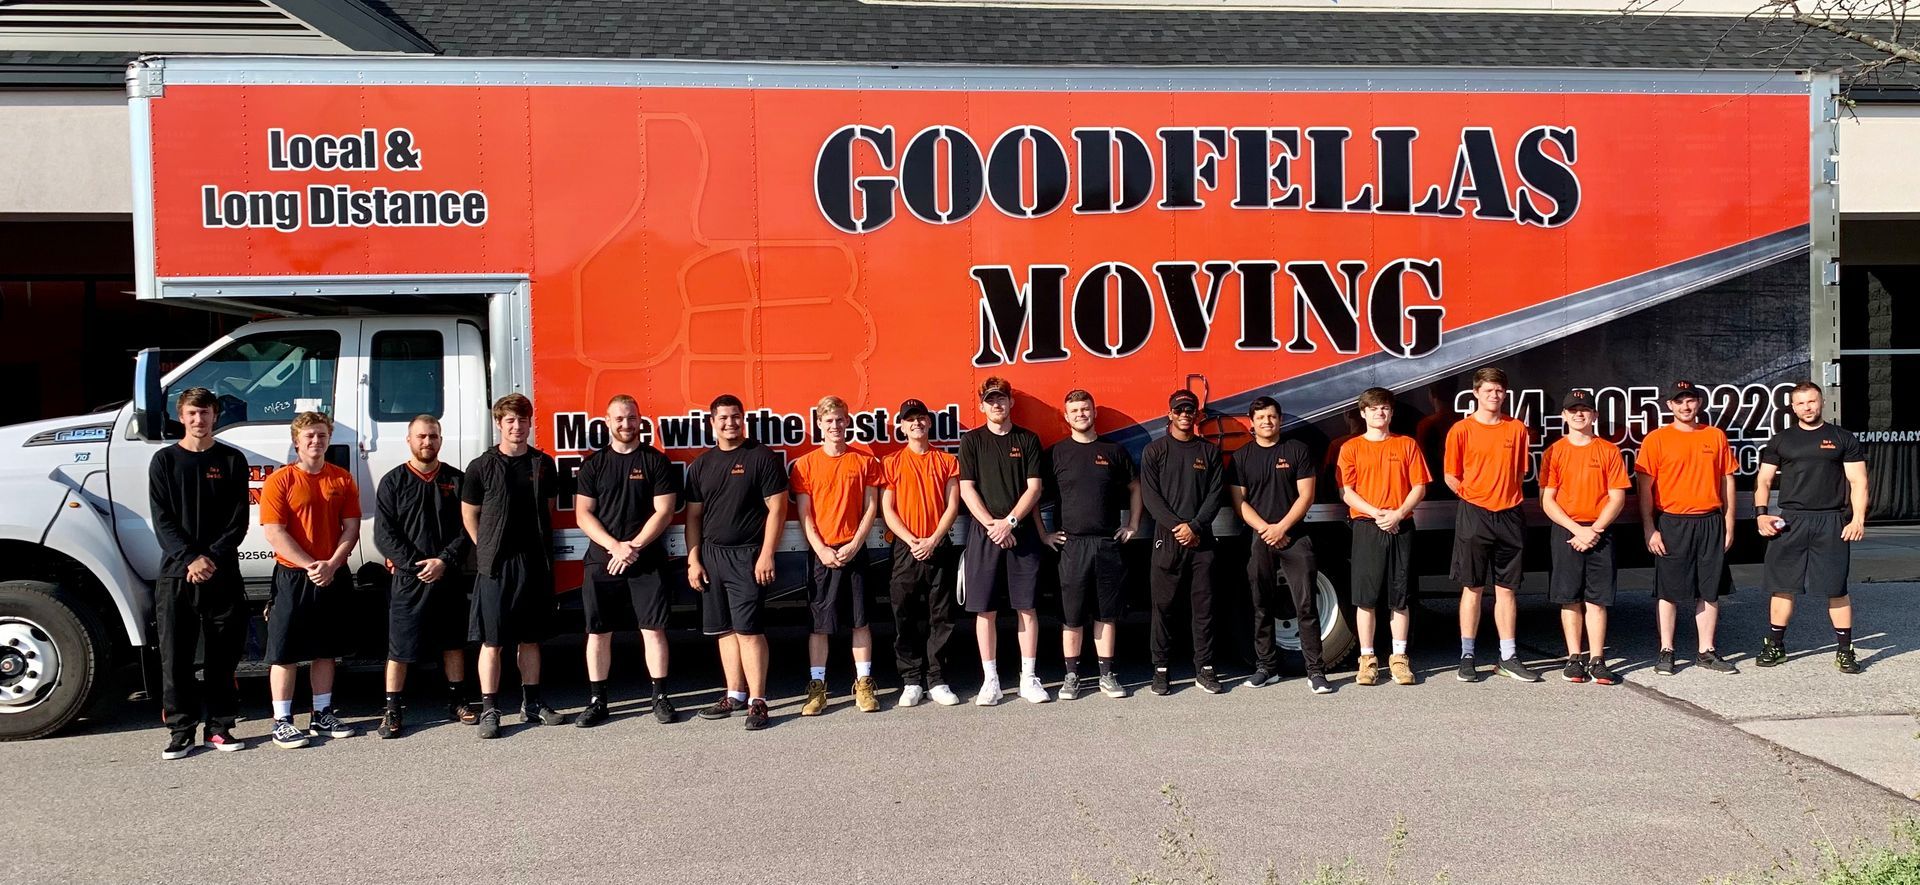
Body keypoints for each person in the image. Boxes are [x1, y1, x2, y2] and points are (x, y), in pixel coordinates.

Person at [150, 386, 251, 759]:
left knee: (222, 657)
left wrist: (211, 558)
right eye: (192, 413)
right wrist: (190, 558)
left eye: (205, 412)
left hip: (222, 574)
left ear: (215, 415)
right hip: (177, 575)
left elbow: (238, 519)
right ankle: (180, 730)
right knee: (175, 657)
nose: (199, 419)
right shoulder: (164, 462)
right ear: (181, 416)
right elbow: (162, 520)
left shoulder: (231, 460)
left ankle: (220, 727)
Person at [461, 393, 567, 738]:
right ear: (499, 424)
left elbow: (548, 505)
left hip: (533, 562)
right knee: (492, 641)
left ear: (529, 422)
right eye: (510, 421)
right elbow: (469, 512)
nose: (517, 427)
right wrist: (486, 546)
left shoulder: (542, 464)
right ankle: (490, 709)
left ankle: (532, 703)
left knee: (531, 638)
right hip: (495, 565)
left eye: (523, 420)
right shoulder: (481, 466)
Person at [572, 395, 681, 728]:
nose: (626, 424)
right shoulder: (594, 465)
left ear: (640, 421)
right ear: (607, 421)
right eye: (619, 419)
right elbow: (582, 514)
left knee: (653, 630)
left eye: (631, 418)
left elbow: (664, 511)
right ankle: (597, 701)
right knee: (598, 632)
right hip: (602, 559)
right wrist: (614, 547)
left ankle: (660, 697)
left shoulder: (655, 461)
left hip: (646, 559)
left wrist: (632, 546)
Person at [685, 394, 788, 731]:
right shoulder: (701, 465)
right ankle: (735, 695)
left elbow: (778, 507)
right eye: (723, 418)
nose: (730, 423)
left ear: (743, 419)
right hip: (712, 557)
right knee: (724, 631)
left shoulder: (761, 457)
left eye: (736, 417)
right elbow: (694, 517)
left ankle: (758, 701)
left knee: (749, 631)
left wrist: (766, 553)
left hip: (748, 555)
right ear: (712, 423)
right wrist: (694, 559)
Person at [259, 411, 361, 749]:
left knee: (325, 650)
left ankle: (321, 714)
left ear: (329, 438)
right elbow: (274, 532)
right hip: (293, 576)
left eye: (321, 435)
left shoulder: (342, 479)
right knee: (285, 651)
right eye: (309, 436)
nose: (316, 441)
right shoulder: (280, 481)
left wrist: (332, 564)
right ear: (296, 441)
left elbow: (351, 528)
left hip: (332, 574)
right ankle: (282, 721)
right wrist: (310, 566)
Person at [373, 415, 477, 739]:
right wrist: (417, 565)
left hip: (447, 574)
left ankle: (458, 700)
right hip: (409, 578)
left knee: (452, 642)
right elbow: (384, 534)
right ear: (409, 440)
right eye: (421, 436)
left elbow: (467, 529)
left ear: (440, 440)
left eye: (433, 436)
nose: (427, 442)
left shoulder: (456, 481)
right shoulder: (392, 482)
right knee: (400, 648)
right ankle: (392, 709)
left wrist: (445, 561)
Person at [1755, 382, 1869, 674]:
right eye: (1801, 403)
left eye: (1812, 401)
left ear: (1821, 402)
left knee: (1836, 589)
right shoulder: (1781, 440)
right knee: (1782, 587)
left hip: (1831, 520)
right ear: (1793, 407)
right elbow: (1764, 481)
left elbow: (1858, 482)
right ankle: (1775, 645)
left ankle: (1845, 651)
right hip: (1791, 520)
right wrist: (1761, 515)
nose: (1807, 407)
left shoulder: (1842, 438)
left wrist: (1857, 519)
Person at [1228, 395, 1332, 695]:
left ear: (1280, 420)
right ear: (1252, 423)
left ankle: (1316, 672)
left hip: (1295, 537)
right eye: (1261, 418)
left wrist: (1282, 528)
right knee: (1260, 605)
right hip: (1260, 538)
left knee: (1306, 605)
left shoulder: (1297, 450)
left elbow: (1306, 495)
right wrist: (1266, 530)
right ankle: (1266, 668)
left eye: (1272, 417)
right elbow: (1239, 502)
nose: (1267, 422)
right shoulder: (1241, 457)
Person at [1636, 380, 1739, 676]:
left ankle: (1706, 651)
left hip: (1710, 521)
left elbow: (1727, 480)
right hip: (1672, 522)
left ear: (1699, 404)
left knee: (1709, 590)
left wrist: (1728, 523)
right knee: (1668, 592)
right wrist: (1649, 528)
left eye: (1690, 400)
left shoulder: (1715, 436)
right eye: (1679, 401)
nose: (1685, 406)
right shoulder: (1656, 439)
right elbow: (1645, 488)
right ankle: (1666, 650)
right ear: (1669, 405)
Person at [957, 377, 1050, 705]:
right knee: (986, 610)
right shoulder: (971, 441)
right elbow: (967, 488)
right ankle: (991, 681)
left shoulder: (1027, 439)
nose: (997, 404)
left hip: (1020, 534)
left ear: (1011, 403)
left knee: (1027, 607)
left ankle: (1028, 678)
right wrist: (992, 526)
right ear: (982, 405)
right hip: (985, 536)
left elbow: (1034, 488)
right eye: (991, 400)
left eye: (1002, 399)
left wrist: (1009, 523)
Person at [1043, 389, 1140, 701]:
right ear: (1066, 416)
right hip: (1071, 544)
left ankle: (1106, 674)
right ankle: (1071, 676)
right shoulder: (1056, 453)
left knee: (1105, 613)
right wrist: (1044, 533)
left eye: (1086, 409)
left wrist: (1133, 524)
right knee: (1071, 615)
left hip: (1106, 543)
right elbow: (1033, 493)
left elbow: (1135, 487)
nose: (1081, 414)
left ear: (1094, 412)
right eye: (1075, 410)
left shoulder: (1113, 451)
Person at [1445, 367, 1540, 683]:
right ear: (1476, 393)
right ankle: (1467, 656)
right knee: (1472, 587)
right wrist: (1471, 495)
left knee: (1507, 590)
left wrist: (1502, 496)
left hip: (1511, 514)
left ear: (1505, 394)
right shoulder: (1461, 430)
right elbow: (1450, 474)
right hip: (1475, 514)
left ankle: (1508, 656)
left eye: (1499, 391)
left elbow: (1520, 471)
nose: (1494, 396)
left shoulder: (1517, 429)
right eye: (1488, 390)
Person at [791, 395, 884, 715]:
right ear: (819, 424)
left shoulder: (865, 462)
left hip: (854, 551)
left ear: (848, 422)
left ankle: (864, 685)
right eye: (829, 421)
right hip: (822, 555)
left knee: (860, 621)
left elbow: (871, 506)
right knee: (820, 625)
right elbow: (804, 513)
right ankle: (817, 689)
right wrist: (821, 549)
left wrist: (855, 544)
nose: (835, 425)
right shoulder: (805, 465)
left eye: (840, 420)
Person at [1338, 387, 1430, 688]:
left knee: (1399, 597)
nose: (1380, 413)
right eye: (1374, 408)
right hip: (1367, 526)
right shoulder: (1351, 448)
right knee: (1366, 598)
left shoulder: (1407, 445)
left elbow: (1419, 486)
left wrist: (1399, 513)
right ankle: (1367, 660)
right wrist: (1378, 513)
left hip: (1401, 525)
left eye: (1385, 408)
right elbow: (1346, 491)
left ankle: (1399, 659)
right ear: (1362, 413)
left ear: (1391, 413)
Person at [1538, 391, 1630, 685]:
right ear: (1564, 416)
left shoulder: (1608, 451)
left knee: (1597, 600)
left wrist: (1594, 529)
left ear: (1594, 416)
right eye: (1573, 410)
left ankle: (1597, 659)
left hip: (1599, 531)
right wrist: (1577, 530)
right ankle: (1574, 657)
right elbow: (1547, 500)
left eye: (1585, 410)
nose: (1579, 414)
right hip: (1568, 531)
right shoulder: (1555, 452)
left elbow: (1617, 497)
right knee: (1570, 598)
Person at [1139, 389, 1226, 696]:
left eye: (1190, 410)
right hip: (1168, 539)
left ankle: (1205, 669)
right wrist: (1178, 526)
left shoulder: (1209, 452)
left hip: (1202, 540)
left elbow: (1216, 494)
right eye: (1180, 410)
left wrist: (1195, 525)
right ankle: (1161, 670)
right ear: (1170, 415)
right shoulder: (1155, 451)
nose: (1185, 414)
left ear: (1197, 415)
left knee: (1203, 608)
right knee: (1163, 608)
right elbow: (1151, 497)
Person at [879, 398, 964, 708]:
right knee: (905, 614)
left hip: (938, 544)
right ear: (902, 426)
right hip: (906, 547)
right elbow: (887, 508)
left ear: (929, 423)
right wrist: (912, 540)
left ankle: (938, 679)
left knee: (941, 615)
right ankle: (912, 680)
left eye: (921, 418)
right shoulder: (891, 462)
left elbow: (953, 505)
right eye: (910, 419)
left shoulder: (946, 461)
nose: (916, 423)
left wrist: (932, 539)